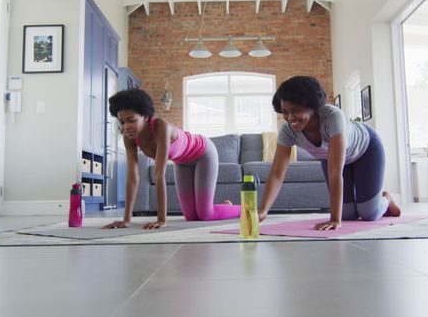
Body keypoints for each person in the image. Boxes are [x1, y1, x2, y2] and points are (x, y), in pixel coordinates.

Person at [258, 76, 401, 231]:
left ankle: (387, 198)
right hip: (330, 157)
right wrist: (264, 210)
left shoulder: (332, 117)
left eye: (296, 111)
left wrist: (334, 219)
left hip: (366, 150)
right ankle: (361, 205)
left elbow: (335, 171)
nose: (290, 118)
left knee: (369, 213)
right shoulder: (287, 131)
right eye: (285, 112)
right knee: (348, 214)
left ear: (312, 107)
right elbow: (277, 173)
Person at [102, 88, 241, 230]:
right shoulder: (129, 138)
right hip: (182, 162)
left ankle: (243, 209)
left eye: (131, 120)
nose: (126, 127)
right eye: (122, 122)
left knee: (205, 214)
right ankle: (226, 207)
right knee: (192, 217)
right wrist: (126, 220)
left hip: (203, 153)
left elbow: (159, 174)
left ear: (146, 116)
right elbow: (133, 178)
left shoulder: (161, 127)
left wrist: (161, 220)